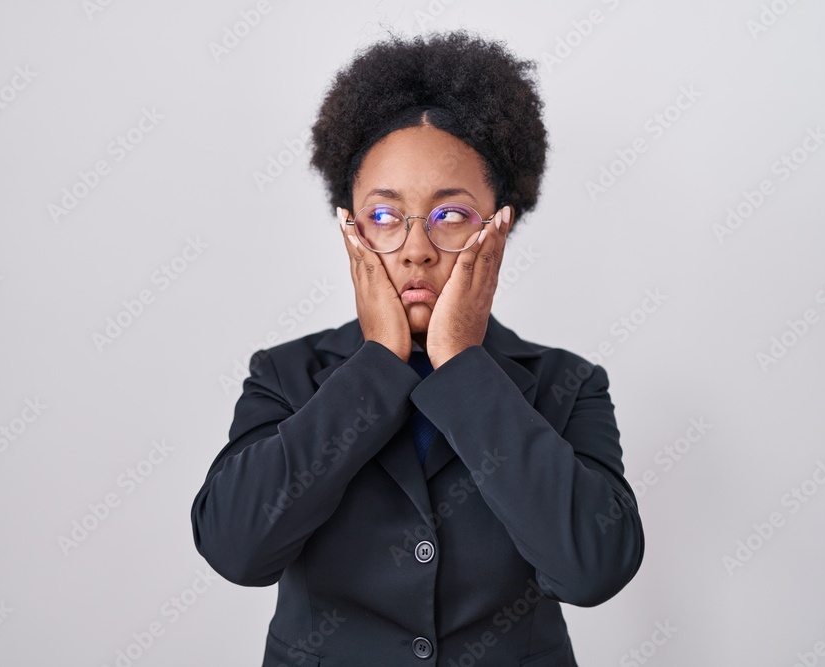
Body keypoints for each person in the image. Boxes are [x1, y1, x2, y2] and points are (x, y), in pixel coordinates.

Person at [191, 29, 644, 666]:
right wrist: (377, 363)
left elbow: (594, 570)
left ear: (499, 228)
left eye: (450, 215)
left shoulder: (568, 385)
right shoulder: (286, 375)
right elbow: (236, 551)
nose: (415, 248)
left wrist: (461, 364)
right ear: (349, 228)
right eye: (383, 216)